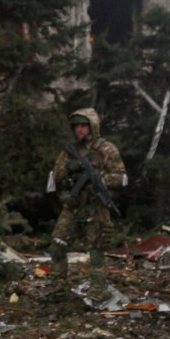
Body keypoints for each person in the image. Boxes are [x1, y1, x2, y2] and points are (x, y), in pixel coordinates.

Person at [48, 108, 127, 302]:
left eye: (84, 126)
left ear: (92, 126)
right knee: (56, 246)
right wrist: (69, 169)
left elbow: (122, 177)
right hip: (73, 206)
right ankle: (59, 290)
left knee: (96, 252)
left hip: (95, 207)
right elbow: (55, 177)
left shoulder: (106, 149)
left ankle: (97, 294)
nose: (80, 130)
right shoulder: (69, 152)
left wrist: (99, 179)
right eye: (77, 126)